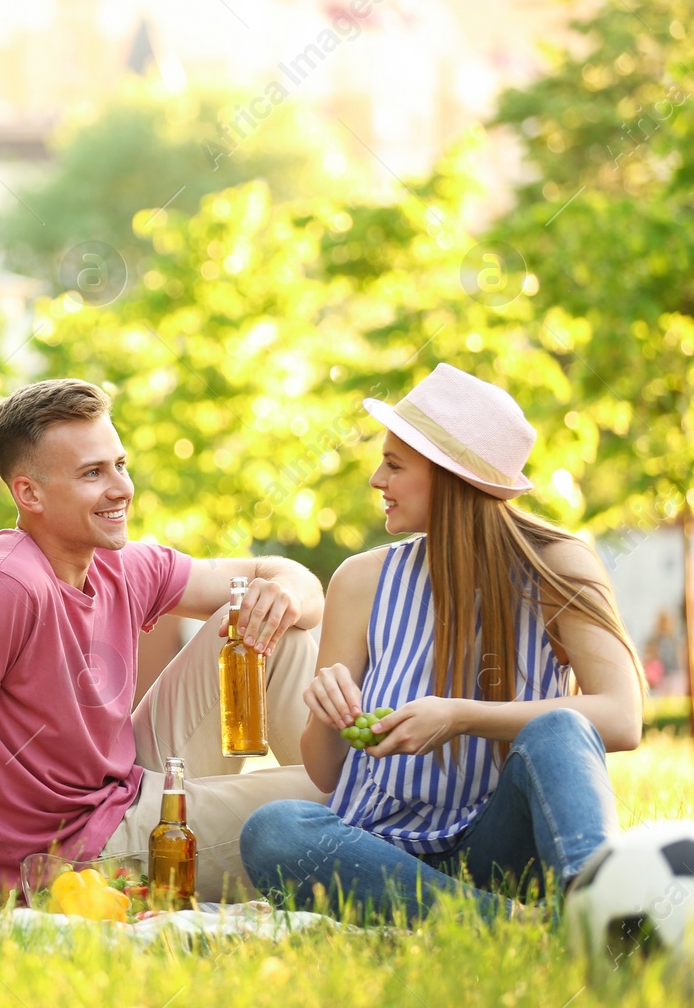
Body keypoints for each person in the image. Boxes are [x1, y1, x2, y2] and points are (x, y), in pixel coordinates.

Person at [0, 378, 327, 903]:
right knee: (332, 802)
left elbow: (274, 572)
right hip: (74, 855)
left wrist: (285, 594)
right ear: (29, 493)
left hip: (126, 784)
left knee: (271, 622)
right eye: (92, 473)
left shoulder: (118, 562)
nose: (121, 488)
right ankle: (388, 820)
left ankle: (367, 796)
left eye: (119, 465)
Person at [240, 364, 644, 922]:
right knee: (273, 829)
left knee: (561, 728)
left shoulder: (556, 565)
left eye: (395, 464)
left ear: (452, 479)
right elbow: (328, 775)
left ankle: (603, 912)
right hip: (382, 854)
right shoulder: (361, 581)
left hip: (498, 845)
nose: (377, 480)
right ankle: (525, 928)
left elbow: (621, 718)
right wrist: (327, 715)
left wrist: (458, 716)